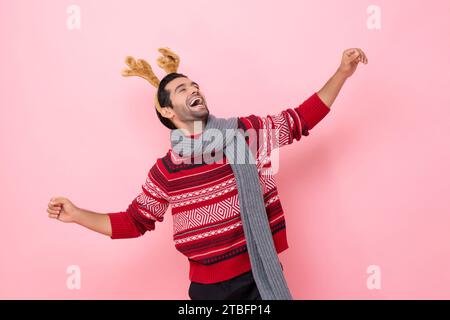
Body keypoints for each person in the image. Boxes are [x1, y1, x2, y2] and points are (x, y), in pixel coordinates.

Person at [47, 48, 368, 300]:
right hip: (207, 291)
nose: (194, 88)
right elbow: (134, 221)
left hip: (260, 276)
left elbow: (298, 121)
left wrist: (342, 73)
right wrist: (76, 215)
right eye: (182, 88)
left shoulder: (244, 133)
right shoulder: (166, 170)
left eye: (194, 84)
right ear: (167, 111)